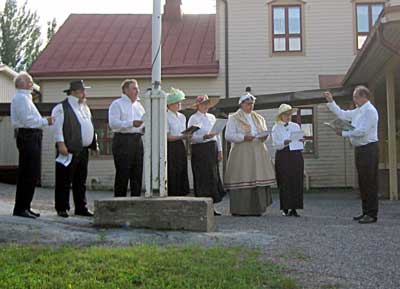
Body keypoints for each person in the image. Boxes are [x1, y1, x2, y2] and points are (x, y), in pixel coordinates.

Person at [324, 86, 379, 224]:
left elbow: (362, 131)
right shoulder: (359, 110)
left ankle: (372, 214)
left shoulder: (370, 111)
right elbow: (343, 114)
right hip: (360, 149)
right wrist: (331, 101)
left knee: (369, 182)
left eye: (355, 97)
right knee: (362, 182)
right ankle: (365, 211)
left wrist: (343, 133)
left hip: (369, 149)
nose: (354, 100)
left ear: (363, 97)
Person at [10, 72, 55, 219]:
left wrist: (42, 121)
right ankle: (21, 207)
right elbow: (28, 121)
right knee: (28, 172)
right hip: (27, 135)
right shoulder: (21, 98)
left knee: (32, 172)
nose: (32, 83)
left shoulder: (26, 98)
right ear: (22, 83)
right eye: (29, 81)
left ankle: (25, 206)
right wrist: (45, 121)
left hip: (32, 135)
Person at [52, 80, 98, 218]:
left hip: (83, 149)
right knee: (64, 179)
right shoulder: (61, 107)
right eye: (82, 91)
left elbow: (89, 125)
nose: (84, 93)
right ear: (73, 92)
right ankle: (62, 207)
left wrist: (93, 143)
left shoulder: (84, 107)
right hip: (69, 148)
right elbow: (57, 127)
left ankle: (81, 207)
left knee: (80, 180)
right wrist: (60, 144)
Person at [224, 93, 275, 216]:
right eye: (247, 104)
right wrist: (243, 137)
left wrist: (264, 137)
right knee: (243, 175)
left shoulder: (259, 118)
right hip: (242, 153)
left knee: (257, 177)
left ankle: (257, 208)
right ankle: (241, 209)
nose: (250, 106)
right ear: (241, 104)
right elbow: (228, 135)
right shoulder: (234, 118)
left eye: (252, 104)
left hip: (258, 152)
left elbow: (264, 133)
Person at [188, 95, 225, 215]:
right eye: (203, 104)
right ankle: (201, 206)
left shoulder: (212, 117)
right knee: (201, 176)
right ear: (198, 105)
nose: (205, 106)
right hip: (200, 149)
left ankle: (212, 206)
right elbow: (191, 137)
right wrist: (203, 137)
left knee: (212, 177)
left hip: (212, 148)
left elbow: (217, 134)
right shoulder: (193, 118)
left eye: (207, 104)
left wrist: (220, 150)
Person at [109, 79, 145, 197]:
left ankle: (136, 201)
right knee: (122, 173)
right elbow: (113, 124)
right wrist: (131, 123)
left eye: (137, 88)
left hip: (137, 140)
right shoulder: (117, 104)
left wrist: (143, 128)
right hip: (123, 140)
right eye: (134, 88)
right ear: (125, 90)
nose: (137, 91)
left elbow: (143, 123)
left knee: (137, 173)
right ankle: (119, 202)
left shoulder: (139, 106)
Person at [272, 104, 304, 217]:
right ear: (281, 115)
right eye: (286, 114)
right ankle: (285, 207)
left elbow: (299, 139)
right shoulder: (276, 128)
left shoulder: (295, 126)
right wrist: (284, 143)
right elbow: (276, 145)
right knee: (285, 180)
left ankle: (295, 207)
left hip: (295, 154)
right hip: (283, 155)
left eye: (290, 114)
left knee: (296, 180)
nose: (288, 116)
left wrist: (301, 140)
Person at [166, 88, 190, 196]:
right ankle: (173, 193)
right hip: (171, 146)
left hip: (181, 145)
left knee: (181, 168)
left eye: (180, 102)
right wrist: (181, 136)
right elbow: (167, 137)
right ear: (169, 105)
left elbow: (183, 132)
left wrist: (187, 135)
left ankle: (182, 193)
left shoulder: (182, 117)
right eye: (176, 102)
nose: (179, 104)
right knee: (173, 169)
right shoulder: (166, 116)